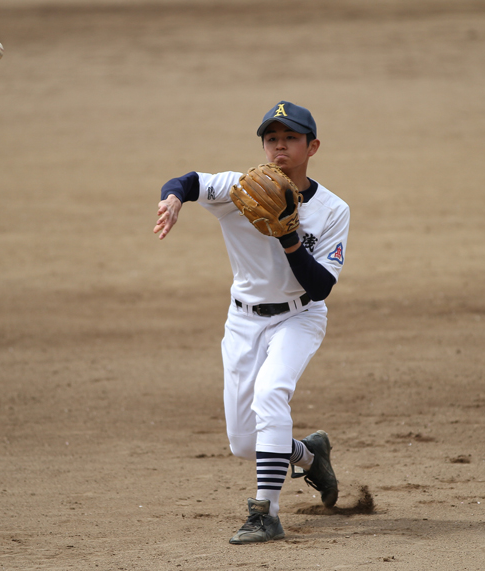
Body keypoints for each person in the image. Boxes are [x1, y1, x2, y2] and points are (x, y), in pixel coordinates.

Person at [153, 101, 350, 544]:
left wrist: (289, 236)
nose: (279, 147)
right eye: (272, 139)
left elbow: (319, 287)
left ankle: (266, 514)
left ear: (312, 146)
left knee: (270, 394)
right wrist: (172, 200)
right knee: (245, 443)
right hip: (242, 322)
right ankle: (309, 455)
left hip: (299, 317)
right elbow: (187, 181)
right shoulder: (238, 188)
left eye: (291, 139)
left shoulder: (334, 210)